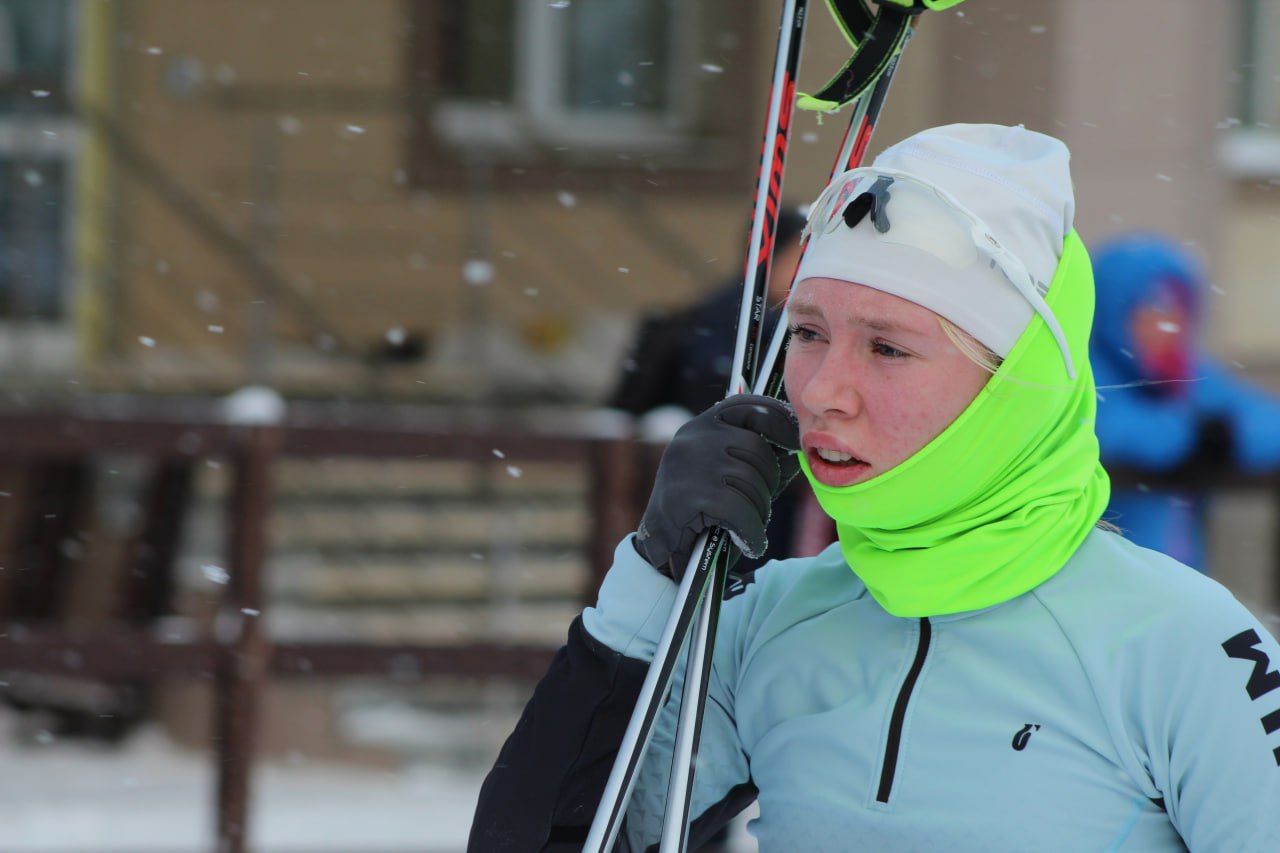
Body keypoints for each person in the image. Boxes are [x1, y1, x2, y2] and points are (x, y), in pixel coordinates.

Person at [468, 124, 1280, 851]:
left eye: (887, 348)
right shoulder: (770, 624)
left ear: (1013, 385)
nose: (823, 390)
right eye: (809, 331)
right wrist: (650, 579)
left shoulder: (1187, 646)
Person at [608, 207, 811, 571]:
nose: (804, 268)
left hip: (750, 474)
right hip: (736, 472)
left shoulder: (764, 315)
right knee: (743, 570)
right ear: (771, 256)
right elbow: (712, 388)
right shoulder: (741, 320)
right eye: (798, 257)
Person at [1090, 232, 1280, 570]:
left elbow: (1268, 424)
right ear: (1113, 310)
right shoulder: (1086, 372)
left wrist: (1227, 435)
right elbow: (1106, 430)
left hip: (1182, 577)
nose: (1168, 324)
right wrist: (1191, 435)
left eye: (1179, 306)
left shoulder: (1187, 374)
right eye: (1153, 307)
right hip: (1105, 578)